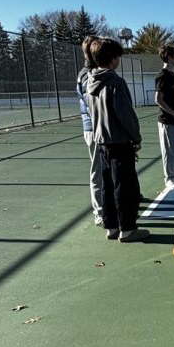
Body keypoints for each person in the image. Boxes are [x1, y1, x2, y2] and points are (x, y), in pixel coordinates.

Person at [86, 37, 144, 243]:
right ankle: (127, 229)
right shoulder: (116, 82)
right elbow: (126, 115)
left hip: (102, 142)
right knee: (125, 187)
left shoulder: (90, 82)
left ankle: (111, 226)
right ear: (112, 58)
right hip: (119, 142)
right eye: (118, 56)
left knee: (108, 186)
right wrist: (136, 137)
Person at [76, 35, 103, 225]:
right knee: (97, 170)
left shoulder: (94, 72)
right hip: (94, 129)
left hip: (100, 128)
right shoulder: (88, 75)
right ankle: (99, 212)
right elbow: (92, 104)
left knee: (105, 169)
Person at [155, 43, 174, 190]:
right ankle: (169, 177)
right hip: (167, 120)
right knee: (169, 149)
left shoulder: (173, 76)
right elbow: (158, 99)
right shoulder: (162, 76)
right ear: (170, 57)